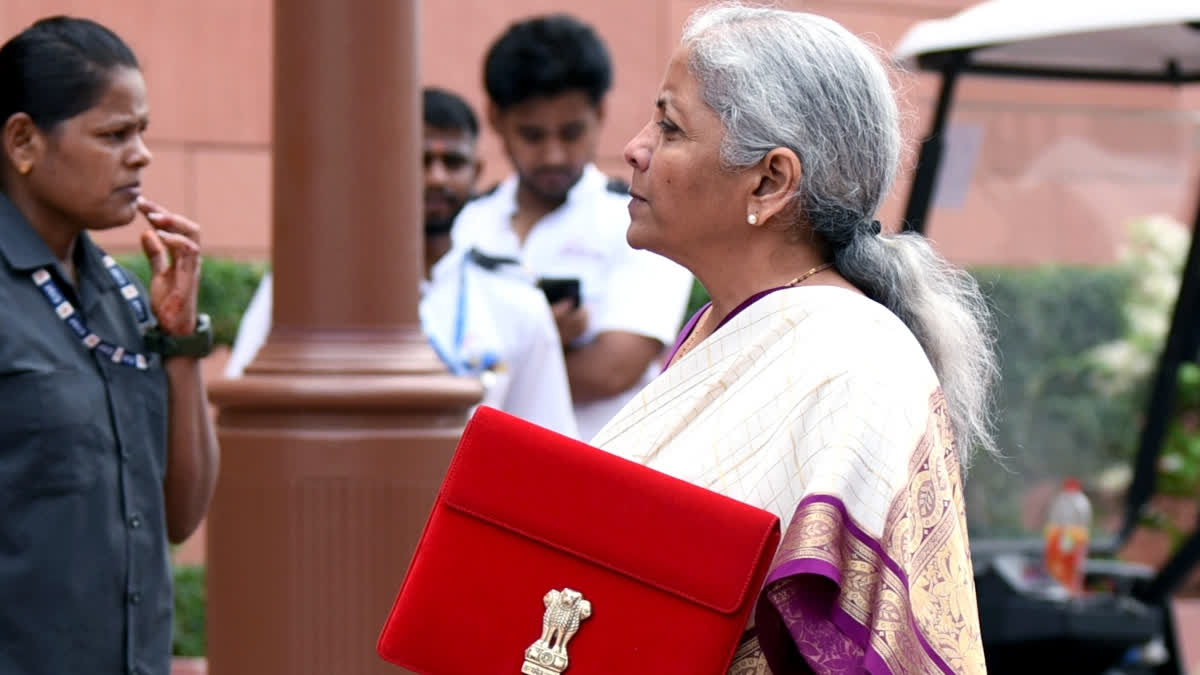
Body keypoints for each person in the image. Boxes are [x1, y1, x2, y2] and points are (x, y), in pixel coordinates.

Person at [592, 5, 997, 674]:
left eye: (669, 125)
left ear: (771, 180)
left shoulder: (856, 361)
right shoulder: (724, 329)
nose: (635, 148)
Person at [0, 16, 219, 675]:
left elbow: (179, 514)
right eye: (115, 134)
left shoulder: (125, 297)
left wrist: (181, 342)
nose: (141, 154)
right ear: (22, 141)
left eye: (142, 131)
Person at [226, 88, 578, 438]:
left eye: (453, 163)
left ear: (477, 171)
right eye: (419, 161)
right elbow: (241, 409)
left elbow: (548, 436)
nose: (437, 178)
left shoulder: (516, 300)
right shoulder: (304, 291)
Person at [446, 14, 694, 440]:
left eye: (571, 131)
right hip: (474, 478)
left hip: (595, 480)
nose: (555, 154)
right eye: (533, 134)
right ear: (496, 119)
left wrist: (482, 365)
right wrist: (544, 339)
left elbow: (614, 370)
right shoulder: (464, 223)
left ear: (599, 113)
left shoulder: (643, 221)